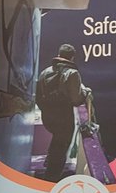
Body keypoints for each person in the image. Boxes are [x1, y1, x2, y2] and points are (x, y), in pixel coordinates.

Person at [35, 43, 86, 181]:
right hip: (64, 118)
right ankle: (52, 178)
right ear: (72, 58)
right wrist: (85, 93)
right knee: (62, 146)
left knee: (57, 139)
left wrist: (47, 110)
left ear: (59, 55)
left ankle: (50, 162)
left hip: (48, 118)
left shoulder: (44, 72)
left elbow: (38, 97)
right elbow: (76, 100)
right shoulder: (73, 73)